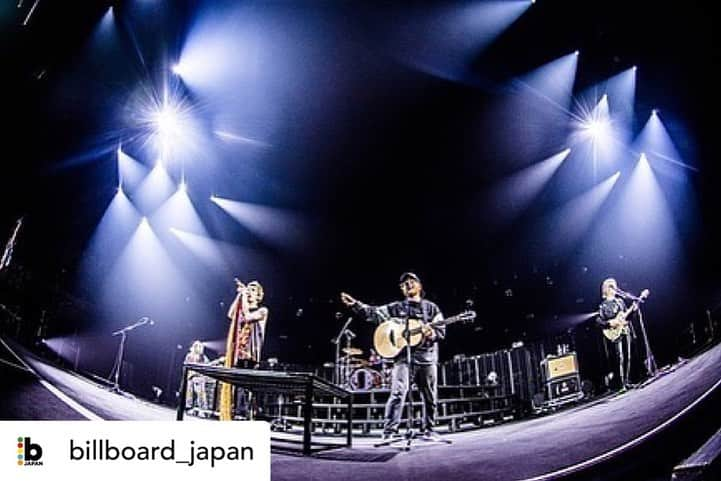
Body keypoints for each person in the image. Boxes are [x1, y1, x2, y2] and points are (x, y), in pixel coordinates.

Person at [341, 272, 445, 439]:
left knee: (430, 395)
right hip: (403, 357)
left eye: (412, 281)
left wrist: (431, 333)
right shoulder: (396, 307)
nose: (409, 284)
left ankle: (429, 429)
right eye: (405, 283)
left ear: (419, 286)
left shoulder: (432, 308)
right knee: (397, 392)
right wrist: (356, 305)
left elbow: (441, 331)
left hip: (427, 357)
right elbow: (374, 313)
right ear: (402, 289)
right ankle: (390, 431)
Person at [219, 279, 269, 421]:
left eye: (253, 290)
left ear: (259, 295)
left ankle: (244, 415)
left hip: (251, 355)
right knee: (235, 385)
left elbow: (247, 316)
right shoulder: (243, 308)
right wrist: (239, 296)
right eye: (249, 289)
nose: (249, 292)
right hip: (238, 354)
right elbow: (230, 314)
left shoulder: (262, 310)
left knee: (245, 387)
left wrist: (244, 294)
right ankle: (234, 414)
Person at [596, 278, 636, 391]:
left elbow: (626, 317)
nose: (614, 288)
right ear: (606, 289)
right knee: (620, 357)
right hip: (614, 333)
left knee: (628, 356)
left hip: (624, 329)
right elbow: (598, 322)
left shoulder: (620, 301)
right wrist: (609, 323)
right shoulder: (603, 306)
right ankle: (621, 384)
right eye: (611, 286)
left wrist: (633, 310)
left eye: (614, 286)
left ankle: (627, 381)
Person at [184, 340, 210, 413]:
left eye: (200, 346)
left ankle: (203, 409)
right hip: (190, 376)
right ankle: (189, 407)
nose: (199, 348)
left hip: (199, 377)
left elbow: (207, 365)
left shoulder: (203, 357)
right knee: (189, 393)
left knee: (200, 393)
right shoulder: (189, 355)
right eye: (197, 346)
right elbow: (186, 364)